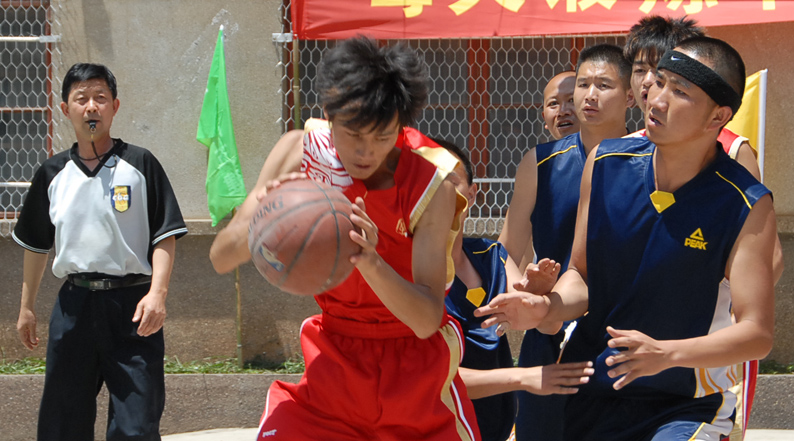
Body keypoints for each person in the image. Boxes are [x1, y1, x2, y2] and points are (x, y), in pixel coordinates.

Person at [477, 37, 778, 441]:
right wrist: (546, 307)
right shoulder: (604, 164)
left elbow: (757, 333)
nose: (657, 99)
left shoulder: (746, 202)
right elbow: (581, 277)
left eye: (680, 91)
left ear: (717, 117)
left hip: (686, 405)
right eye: (660, 82)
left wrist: (667, 354)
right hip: (592, 394)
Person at [210, 37, 482, 441]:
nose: (366, 151)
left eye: (382, 137)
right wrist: (267, 219)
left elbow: (426, 320)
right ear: (329, 114)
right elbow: (220, 257)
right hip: (334, 359)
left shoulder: (431, 185)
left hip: (414, 368)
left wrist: (370, 261)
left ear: (400, 126)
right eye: (353, 133)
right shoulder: (301, 152)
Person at [624, 17, 785, 439]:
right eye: (642, 71)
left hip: (702, 353)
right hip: (626, 366)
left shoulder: (732, 154)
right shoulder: (617, 157)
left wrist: (727, 308)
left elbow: (765, 256)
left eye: (663, 73)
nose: (650, 84)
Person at [13, 63, 187, 441]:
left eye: (100, 98)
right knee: (62, 424)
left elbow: (165, 235)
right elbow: (37, 245)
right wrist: (26, 307)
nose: (91, 106)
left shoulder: (140, 164)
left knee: (136, 426)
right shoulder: (52, 173)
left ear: (115, 106)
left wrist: (157, 294)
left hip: (132, 308)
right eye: (81, 99)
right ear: (66, 109)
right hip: (74, 307)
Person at [497, 44, 634, 441]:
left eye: (603, 85)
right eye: (583, 85)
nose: (587, 96)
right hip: (551, 330)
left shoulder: (653, 160)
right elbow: (505, 251)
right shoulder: (540, 163)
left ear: (631, 96)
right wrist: (528, 297)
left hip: (624, 337)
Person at [434, 137, 593, 441]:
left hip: (491, 429)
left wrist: (539, 296)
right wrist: (523, 377)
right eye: (430, 182)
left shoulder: (491, 255)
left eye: (451, 181)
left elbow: (547, 326)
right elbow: (429, 379)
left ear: (472, 193)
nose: (441, 192)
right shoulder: (408, 273)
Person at [541, 71, 579, 142]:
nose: (562, 112)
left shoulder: (601, 148)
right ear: (544, 118)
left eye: (572, 100)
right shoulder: (539, 150)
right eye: (553, 103)